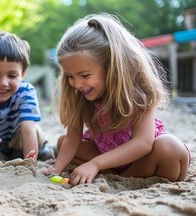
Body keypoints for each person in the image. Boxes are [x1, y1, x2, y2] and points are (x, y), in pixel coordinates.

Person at [40, 13, 190, 185]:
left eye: (84, 75)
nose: (77, 84)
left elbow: (143, 143)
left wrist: (95, 164)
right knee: (62, 142)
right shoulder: (80, 95)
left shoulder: (140, 92)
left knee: (170, 147)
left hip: (142, 159)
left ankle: (122, 176)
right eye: (69, 76)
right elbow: (73, 136)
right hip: (108, 158)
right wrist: (57, 169)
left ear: (112, 67)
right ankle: (121, 177)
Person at [0, 31, 54, 161]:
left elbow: (28, 129)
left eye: (12, 76)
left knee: (35, 132)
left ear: (23, 73)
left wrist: (30, 164)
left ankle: (44, 151)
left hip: (22, 142)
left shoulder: (26, 92)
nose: (3, 83)